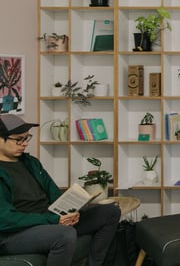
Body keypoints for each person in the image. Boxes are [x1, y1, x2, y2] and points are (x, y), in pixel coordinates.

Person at [0, 114, 120, 266]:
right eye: (19, 139)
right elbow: (5, 220)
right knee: (64, 234)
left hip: (50, 219)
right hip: (14, 233)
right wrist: (53, 220)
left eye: (26, 138)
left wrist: (72, 211)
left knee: (110, 212)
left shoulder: (31, 163)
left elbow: (54, 193)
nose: (24, 144)